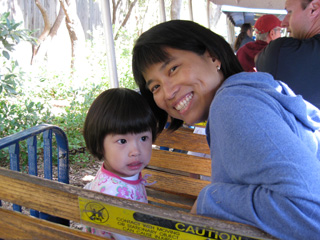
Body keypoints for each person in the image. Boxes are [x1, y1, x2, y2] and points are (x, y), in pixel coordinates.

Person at [132, 20, 320, 239]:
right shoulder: (244, 94)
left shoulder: (233, 103)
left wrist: (210, 201)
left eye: (173, 69)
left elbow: (310, 212)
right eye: (155, 87)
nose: (168, 93)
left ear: (213, 56)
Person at [82, 88, 157, 239]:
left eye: (143, 138)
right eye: (122, 141)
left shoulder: (116, 175)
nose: (135, 151)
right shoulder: (114, 198)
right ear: (99, 145)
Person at [256, 0, 320, 109]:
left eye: (289, 12)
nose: (283, 23)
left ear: (314, 8)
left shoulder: (282, 51)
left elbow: (258, 59)